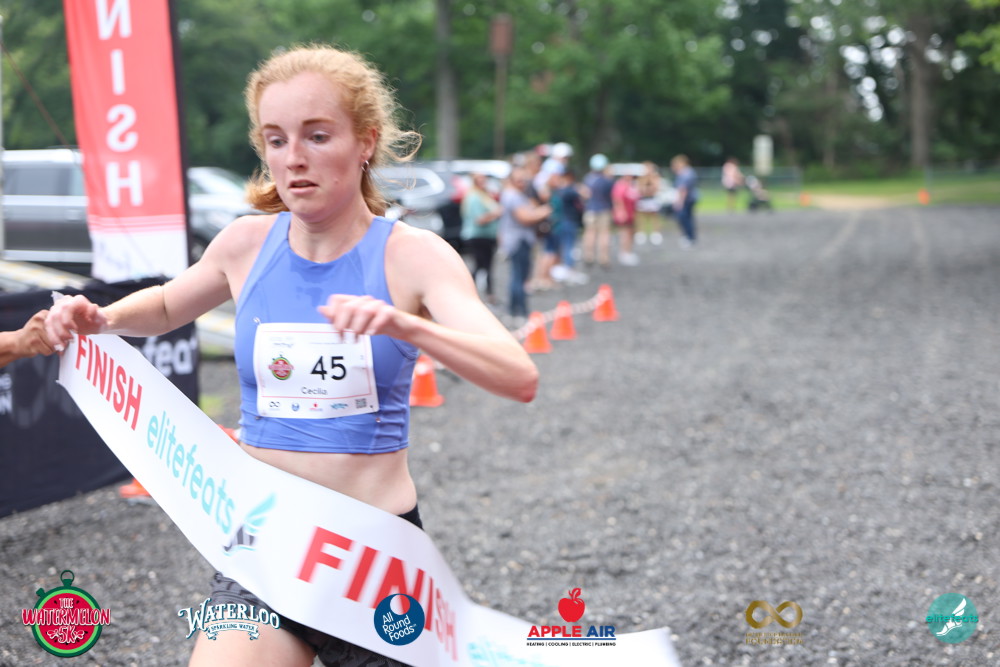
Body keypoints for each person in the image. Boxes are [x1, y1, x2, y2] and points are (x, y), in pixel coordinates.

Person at [46, 44, 539, 667]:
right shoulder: (245, 243)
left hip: (373, 563)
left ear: (366, 141)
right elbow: (169, 305)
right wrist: (104, 318)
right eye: (276, 140)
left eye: (317, 135)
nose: (294, 158)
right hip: (267, 548)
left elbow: (518, 376)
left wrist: (407, 326)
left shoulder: (413, 256)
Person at [498, 165, 551, 327]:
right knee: (519, 277)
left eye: (525, 180)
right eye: (519, 180)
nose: (523, 183)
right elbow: (524, 218)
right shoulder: (512, 196)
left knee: (519, 276)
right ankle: (519, 311)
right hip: (518, 240)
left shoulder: (516, 195)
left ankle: (515, 311)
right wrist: (542, 212)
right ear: (512, 181)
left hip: (519, 239)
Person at [460, 171, 502, 304]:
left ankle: (488, 293)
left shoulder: (484, 196)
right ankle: (470, 292)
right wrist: (495, 214)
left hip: (487, 236)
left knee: (487, 266)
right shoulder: (474, 197)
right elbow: (479, 219)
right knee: (480, 265)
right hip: (478, 236)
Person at [581, 153, 614, 269]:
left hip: (590, 209)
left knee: (589, 233)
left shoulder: (588, 178)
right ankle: (603, 258)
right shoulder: (606, 180)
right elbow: (611, 195)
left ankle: (588, 256)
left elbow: (585, 194)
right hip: (604, 209)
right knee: (604, 234)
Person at [671, 154, 700, 248]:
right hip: (690, 198)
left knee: (684, 218)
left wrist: (680, 202)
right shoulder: (688, 172)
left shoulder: (685, 173)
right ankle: (689, 236)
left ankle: (689, 237)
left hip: (686, 199)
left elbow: (683, 189)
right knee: (688, 218)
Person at [611, 172, 640, 266]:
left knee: (631, 233)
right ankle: (623, 252)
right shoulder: (620, 185)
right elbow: (617, 199)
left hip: (632, 213)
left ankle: (629, 251)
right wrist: (621, 211)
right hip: (624, 213)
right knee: (624, 233)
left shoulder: (632, 185)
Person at [635, 161, 664, 245]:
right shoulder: (640, 178)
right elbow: (640, 189)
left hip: (652, 199)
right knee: (641, 217)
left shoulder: (655, 177)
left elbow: (655, 188)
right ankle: (641, 233)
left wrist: (650, 180)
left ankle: (655, 233)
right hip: (643, 199)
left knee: (654, 217)